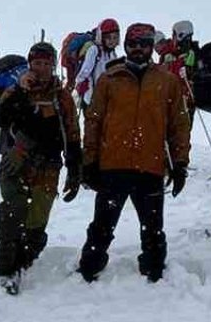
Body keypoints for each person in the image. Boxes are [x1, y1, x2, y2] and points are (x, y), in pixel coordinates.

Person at [78, 23, 190, 282]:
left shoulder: (167, 81)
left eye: (143, 44)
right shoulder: (109, 79)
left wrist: (180, 162)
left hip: (150, 166)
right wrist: (90, 161)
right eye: (132, 44)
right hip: (113, 165)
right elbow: (93, 122)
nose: (138, 49)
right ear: (125, 46)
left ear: (151, 47)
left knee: (153, 227)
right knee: (102, 225)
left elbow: (178, 126)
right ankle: (90, 267)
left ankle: (153, 269)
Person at [0, 42, 82, 295]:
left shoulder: (61, 96)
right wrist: (20, 92)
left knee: (37, 219)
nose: (41, 69)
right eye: (37, 63)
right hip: (15, 160)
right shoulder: (16, 89)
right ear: (30, 64)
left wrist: (75, 166)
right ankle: (7, 266)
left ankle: (26, 257)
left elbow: (72, 132)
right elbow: (0, 118)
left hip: (49, 164)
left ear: (53, 66)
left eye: (46, 64)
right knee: (14, 210)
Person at [74, 18, 120, 108]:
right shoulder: (94, 50)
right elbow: (84, 72)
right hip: (92, 99)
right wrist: (82, 84)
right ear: (101, 37)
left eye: (115, 37)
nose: (112, 41)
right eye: (108, 37)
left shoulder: (113, 54)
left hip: (107, 99)